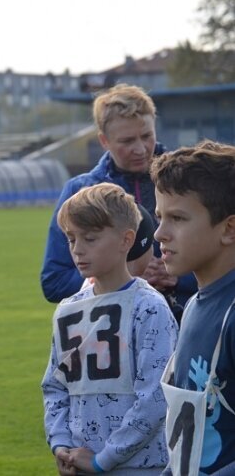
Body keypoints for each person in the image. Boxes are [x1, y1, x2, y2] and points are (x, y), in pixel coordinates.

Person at [42, 182, 177, 475]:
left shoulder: (149, 308)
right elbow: (55, 385)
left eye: (90, 238)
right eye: (71, 239)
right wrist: (61, 443)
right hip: (77, 463)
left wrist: (104, 459)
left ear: (126, 240)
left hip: (139, 468)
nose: (77, 250)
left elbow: (156, 396)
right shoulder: (68, 309)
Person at [40, 84, 196, 316]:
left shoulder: (191, 180)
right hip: (113, 338)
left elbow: (226, 259)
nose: (140, 148)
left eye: (146, 136)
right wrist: (123, 277)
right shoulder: (80, 191)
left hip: (185, 327)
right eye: (127, 141)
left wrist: (178, 277)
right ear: (104, 140)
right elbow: (54, 281)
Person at [151, 140, 235, 474]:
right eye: (159, 217)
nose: (159, 233)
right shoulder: (195, 305)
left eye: (178, 218)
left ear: (229, 229)